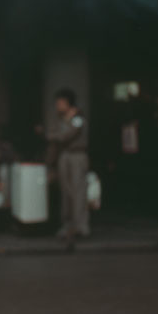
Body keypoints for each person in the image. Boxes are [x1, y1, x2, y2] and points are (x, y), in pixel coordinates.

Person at [45, 88, 90, 239]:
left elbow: (65, 136)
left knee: (78, 191)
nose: (58, 106)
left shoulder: (77, 118)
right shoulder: (60, 118)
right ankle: (68, 225)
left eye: (60, 103)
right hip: (64, 155)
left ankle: (81, 227)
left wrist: (53, 135)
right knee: (66, 191)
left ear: (67, 103)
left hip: (77, 155)